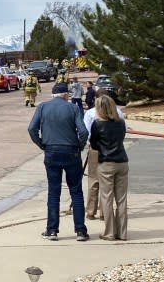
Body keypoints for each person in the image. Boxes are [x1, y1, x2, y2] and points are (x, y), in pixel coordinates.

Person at [28, 82, 89, 241]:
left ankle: (52, 229)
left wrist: (41, 143)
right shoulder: (73, 108)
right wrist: (80, 146)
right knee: (76, 191)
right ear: (66, 95)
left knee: (53, 192)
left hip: (51, 150)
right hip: (71, 151)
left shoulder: (42, 107)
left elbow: (31, 128)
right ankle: (80, 231)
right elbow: (83, 131)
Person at [88, 95, 129, 241]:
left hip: (106, 162)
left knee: (107, 198)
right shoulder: (121, 123)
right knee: (122, 199)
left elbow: (93, 144)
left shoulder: (97, 124)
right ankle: (122, 233)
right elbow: (122, 137)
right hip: (122, 161)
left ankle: (110, 232)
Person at [82, 90, 125, 220]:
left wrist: (88, 144)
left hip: (96, 149)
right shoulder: (118, 113)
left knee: (94, 181)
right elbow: (123, 132)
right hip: (115, 149)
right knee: (108, 183)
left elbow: (86, 132)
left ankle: (91, 210)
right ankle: (104, 211)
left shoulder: (90, 113)